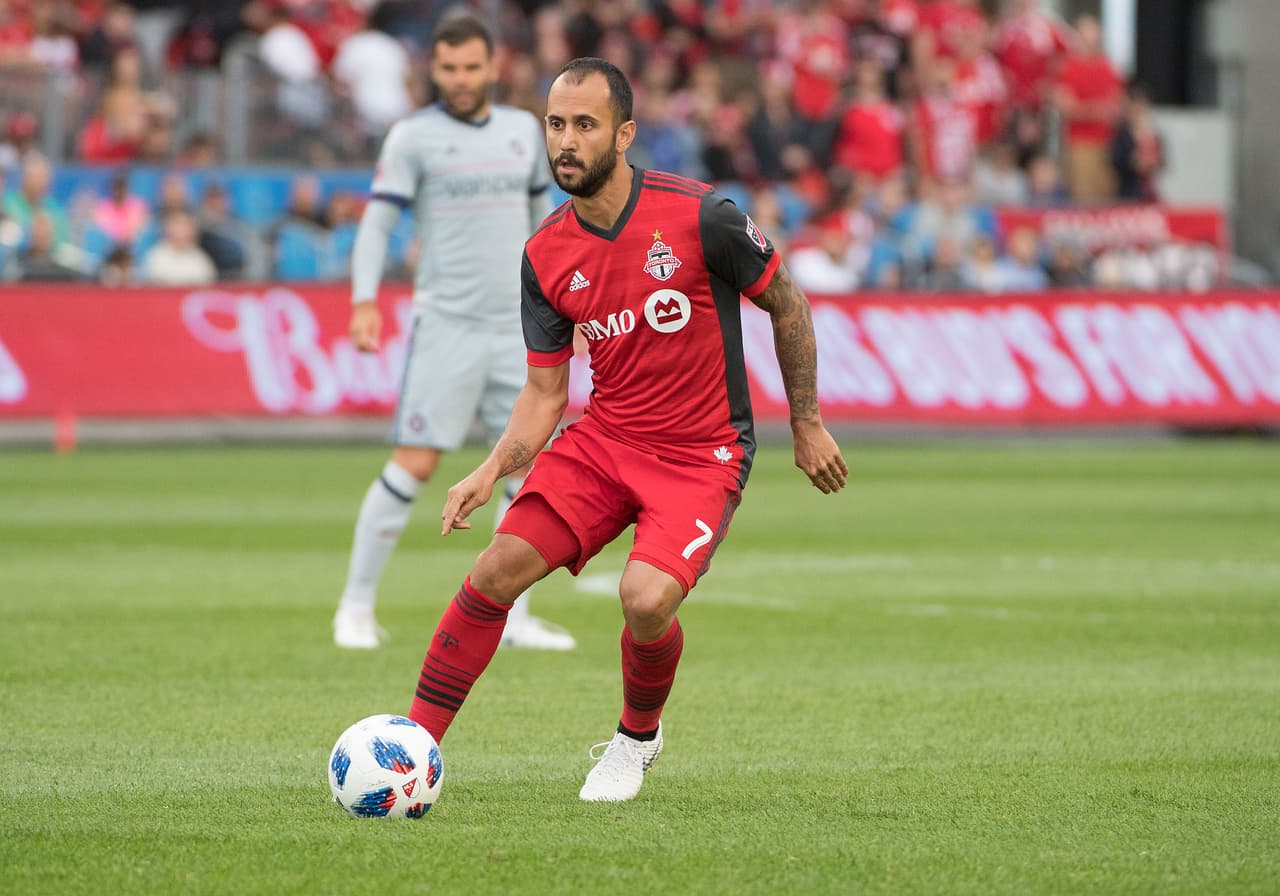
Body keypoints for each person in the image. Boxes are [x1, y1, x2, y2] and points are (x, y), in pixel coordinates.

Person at [406, 57, 847, 802]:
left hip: (701, 455)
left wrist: (807, 423)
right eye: (555, 125)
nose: (566, 142)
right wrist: (489, 470)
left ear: (625, 132)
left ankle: (636, 739)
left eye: (585, 125)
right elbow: (546, 395)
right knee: (494, 572)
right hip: (606, 440)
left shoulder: (702, 214)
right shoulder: (544, 255)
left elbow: (789, 304)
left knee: (645, 600)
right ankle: (412, 748)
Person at [334, 15, 573, 652]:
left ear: (492, 67)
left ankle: (516, 619)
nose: (462, 79)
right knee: (416, 461)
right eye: (450, 68)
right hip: (447, 324)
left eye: (472, 67)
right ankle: (354, 607)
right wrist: (364, 299)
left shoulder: (525, 131)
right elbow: (379, 224)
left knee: (531, 470)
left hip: (518, 328)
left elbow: (542, 228)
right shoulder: (413, 137)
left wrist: (560, 305)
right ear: (432, 70)